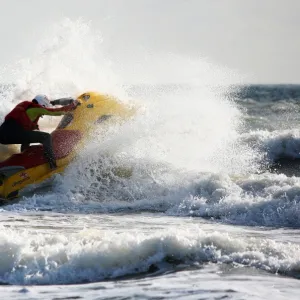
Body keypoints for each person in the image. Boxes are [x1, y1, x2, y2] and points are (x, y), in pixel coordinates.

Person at [0, 94, 78, 170]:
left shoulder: (28, 109)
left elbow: (51, 104)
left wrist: (65, 101)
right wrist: (72, 105)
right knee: (46, 137)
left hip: (4, 135)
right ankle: (53, 165)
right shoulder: (35, 109)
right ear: (42, 105)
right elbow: (54, 112)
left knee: (27, 137)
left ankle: (23, 159)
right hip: (9, 133)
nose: (43, 114)